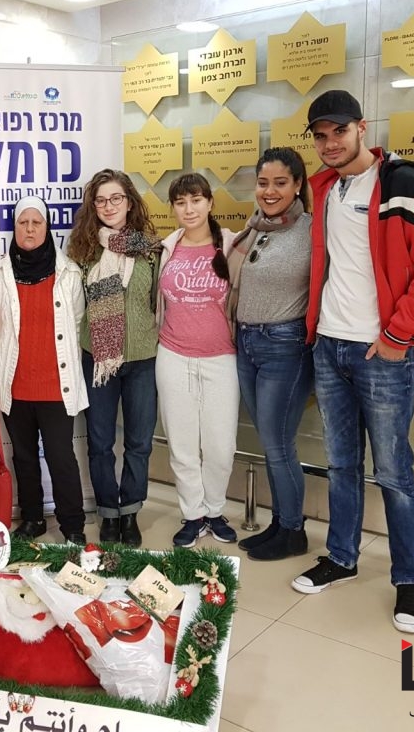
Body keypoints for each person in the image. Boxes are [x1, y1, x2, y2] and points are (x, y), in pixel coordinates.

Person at [291, 90, 414, 634]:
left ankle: (408, 579)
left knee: (394, 472)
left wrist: (396, 335)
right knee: (341, 465)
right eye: (320, 136)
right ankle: (342, 557)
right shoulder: (325, 189)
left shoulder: (406, 183)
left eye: (339, 131)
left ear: (362, 127)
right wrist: (317, 333)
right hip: (330, 346)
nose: (329, 143)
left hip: (382, 352)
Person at [0, 196, 88, 544]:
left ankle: (72, 525)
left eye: (36, 223)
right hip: (14, 384)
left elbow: (76, 325)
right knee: (24, 456)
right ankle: (32, 518)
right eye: (23, 223)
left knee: (61, 457)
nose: (29, 229)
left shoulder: (69, 273)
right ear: (14, 228)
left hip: (57, 385)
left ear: (47, 227)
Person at [67, 169, 161, 547]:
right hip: (98, 360)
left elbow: (159, 303)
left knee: (139, 442)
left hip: (142, 359)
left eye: (116, 198)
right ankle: (109, 512)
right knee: (101, 442)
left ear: (130, 202)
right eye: (101, 200)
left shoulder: (150, 250)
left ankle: (131, 510)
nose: (108, 206)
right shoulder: (83, 251)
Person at [230, 148, 314, 561]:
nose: (270, 191)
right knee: (270, 441)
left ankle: (294, 531)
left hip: (284, 345)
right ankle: (280, 523)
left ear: (297, 185)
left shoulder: (312, 230)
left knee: (279, 444)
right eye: (263, 183)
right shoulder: (255, 228)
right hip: (247, 343)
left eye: (280, 183)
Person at [156, 173, 239, 548]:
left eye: (196, 200)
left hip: (221, 359)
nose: (188, 209)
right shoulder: (167, 248)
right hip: (173, 355)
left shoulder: (232, 245)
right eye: (180, 202)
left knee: (220, 446)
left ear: (210, 203)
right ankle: (193, 514)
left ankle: (215, 510)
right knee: (183, 444)